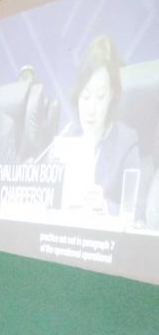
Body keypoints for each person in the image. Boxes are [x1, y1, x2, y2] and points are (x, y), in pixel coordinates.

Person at [55, 35, 141, 221]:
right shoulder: (68, 137)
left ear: (111, 96)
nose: (91, 109)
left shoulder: (126, 142)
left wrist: (105, 207)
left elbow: (137, 211)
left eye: (100, 97)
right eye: (85, 96)